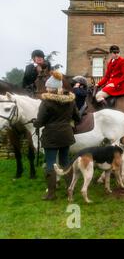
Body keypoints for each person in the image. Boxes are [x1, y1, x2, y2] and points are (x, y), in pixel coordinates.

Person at [33, 70, 80, 200]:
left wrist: (35, 123)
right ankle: (70, 189)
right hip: (66, 135)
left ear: (52, 88)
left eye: (48, 86)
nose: (46, 88)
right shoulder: (70, 100)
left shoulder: (46, 102)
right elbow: (77, 117)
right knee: (65, 162)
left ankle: (51, 193)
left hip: (51, 136)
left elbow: (40, 121)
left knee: (51, 164)